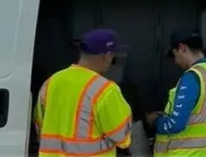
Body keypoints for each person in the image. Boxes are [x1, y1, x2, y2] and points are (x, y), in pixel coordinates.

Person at [33, 28, 133, 157]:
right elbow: (122, 137)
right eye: (113, 57)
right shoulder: (105, 89)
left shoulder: (51, 82)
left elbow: (39, 123)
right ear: (106, 56)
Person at [147, 30, 206, 157]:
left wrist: (154, 121)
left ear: (182, 48)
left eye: (174, 54)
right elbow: (197, 114)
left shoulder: (192, 77)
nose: (175, 61)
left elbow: (176, 124)